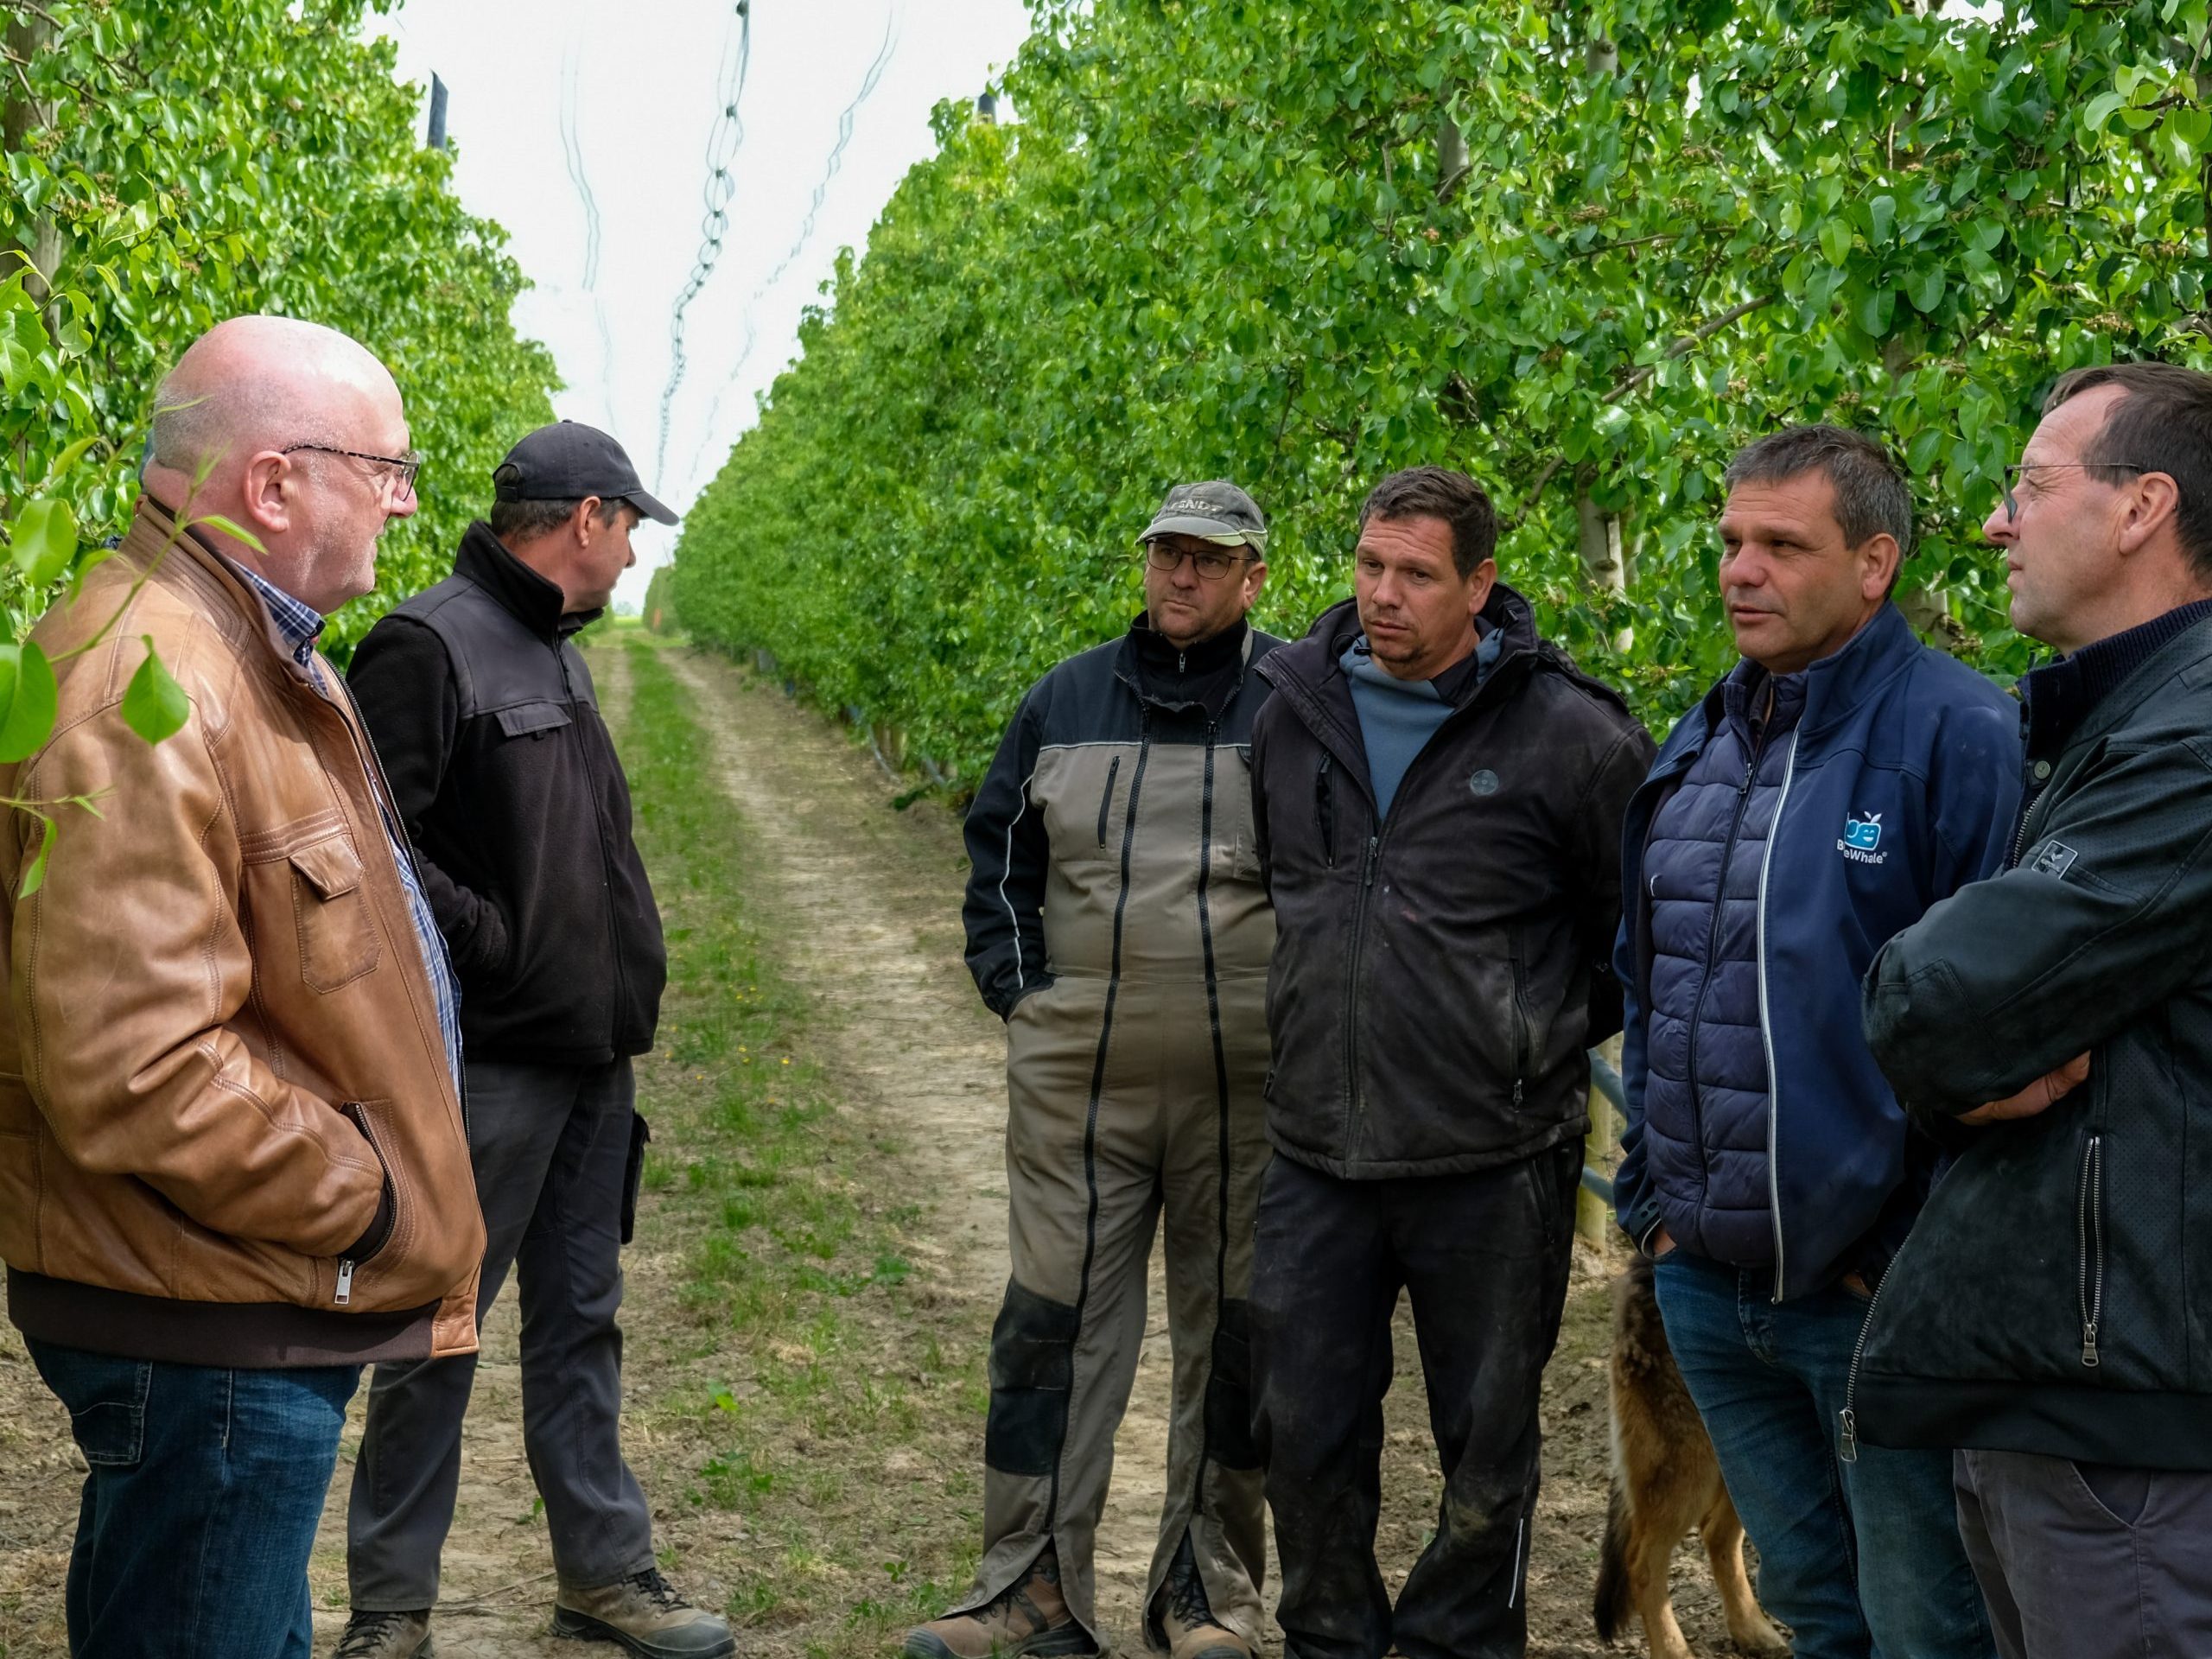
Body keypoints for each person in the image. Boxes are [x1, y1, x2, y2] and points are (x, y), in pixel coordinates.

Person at [0, 315, 484, 1658]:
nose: (403, 499)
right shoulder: (139, 686)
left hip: (231, 1306)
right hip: (210, 1323)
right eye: (386, 468)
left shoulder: (242, 652)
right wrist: (372, 1189)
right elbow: (136, 1068)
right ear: (274, 486)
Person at [1610, 425, 2015, 1658]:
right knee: (1814, 1611)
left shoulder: (1960, 733)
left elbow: (2005, 1022)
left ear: (1876, 562)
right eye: (1731, 541)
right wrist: (1653, 1208)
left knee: (1926, 1624)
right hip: (1708, 1288)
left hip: (1874, 1298)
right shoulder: (1706, 738)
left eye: (1783, 545)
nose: (1741, 569)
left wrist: (1890, 1249)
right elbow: (1651, 978)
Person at [330, 423, 727, 1659]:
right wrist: (491, 944)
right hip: (489, 1063)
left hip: (588, 1060)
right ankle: (391, 1605)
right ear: (587, 518)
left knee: (582, 1321)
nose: (630, 554)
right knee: (438, 1327)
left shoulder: (555, 651)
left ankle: (604, 1577)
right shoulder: (428, 643)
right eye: (629, 527)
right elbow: (367, 848)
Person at [1247, 465, 1653, 1659]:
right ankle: (1331, 1638)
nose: (1384, 594)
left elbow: (1627, 942)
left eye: (1418, 574)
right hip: (1316, 1150)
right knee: (1304, 1432)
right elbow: (1290, 891)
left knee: (1489, 1448)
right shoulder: (1292, 711)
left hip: (1493, 1158)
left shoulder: (1570, 737)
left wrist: (1520, 1043)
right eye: (1371, 565)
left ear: (1479, 584)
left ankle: (1457, 1643)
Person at [1853, 362, 2212, 1658]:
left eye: (2029, 487)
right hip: (2074, 1407)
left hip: (2133, 1435)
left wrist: (1939, 1033)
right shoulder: (2111, 723)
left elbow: (1938, 1000)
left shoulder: (2190, 738)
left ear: (2140, 508)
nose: (1998, 523)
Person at [910, 481, 1281, 1659]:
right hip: (1081, 1093)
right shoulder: (1064, 699)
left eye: (1207, 562)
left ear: (1253, 579)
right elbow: (998, 855)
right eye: (1166, 554)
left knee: (1241, 1340)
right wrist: (1023, 997)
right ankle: (1028, 1588)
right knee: (1050, 1323)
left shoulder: (1301, 708)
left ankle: (1207, 1592)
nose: (1180, 577)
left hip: (1252, 1094)